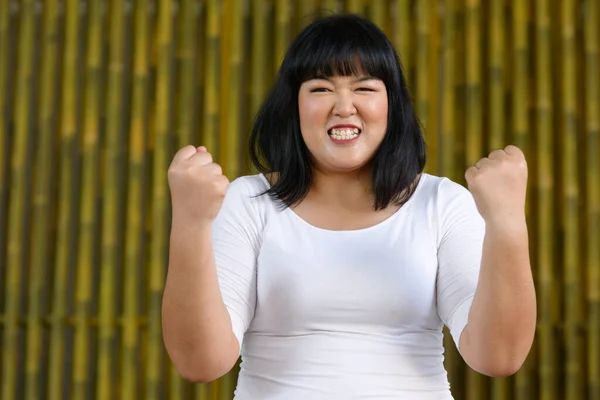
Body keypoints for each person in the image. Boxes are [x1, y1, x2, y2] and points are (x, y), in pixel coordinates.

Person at [162, 14, 537, 400]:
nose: (344, 107)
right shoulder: (249, 201)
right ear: (294, 105)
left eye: (365, 88)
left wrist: (507, 224)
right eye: (321, 89)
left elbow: (499, 357)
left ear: (392, 104)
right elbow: (201, 363)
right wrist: (191, 224)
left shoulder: (442, 203)